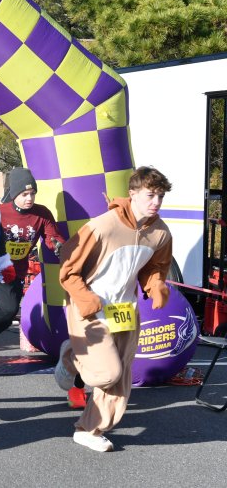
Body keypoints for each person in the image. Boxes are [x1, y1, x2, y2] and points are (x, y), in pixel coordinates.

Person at [55, 166, 172, 452]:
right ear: (132, 194)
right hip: (91, 307)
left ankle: (90, 429)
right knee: (105, 374)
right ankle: (72, 358)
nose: (156, 202)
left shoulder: (161, 232)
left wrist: (155, 285)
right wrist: (85, 299)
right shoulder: (103, 225)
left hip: (124, 309)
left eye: (160, 196)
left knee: (121, 376)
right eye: (150, 195)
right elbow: (69, 268)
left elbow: (155, 266)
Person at [0, 168, 65, 355]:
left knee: (9, 311)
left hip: (16, 271)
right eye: (24, 194)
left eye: (32, 193)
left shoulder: (41, 214)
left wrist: (58, 246)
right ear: (14, 194)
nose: (29, 198)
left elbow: (52, 237)